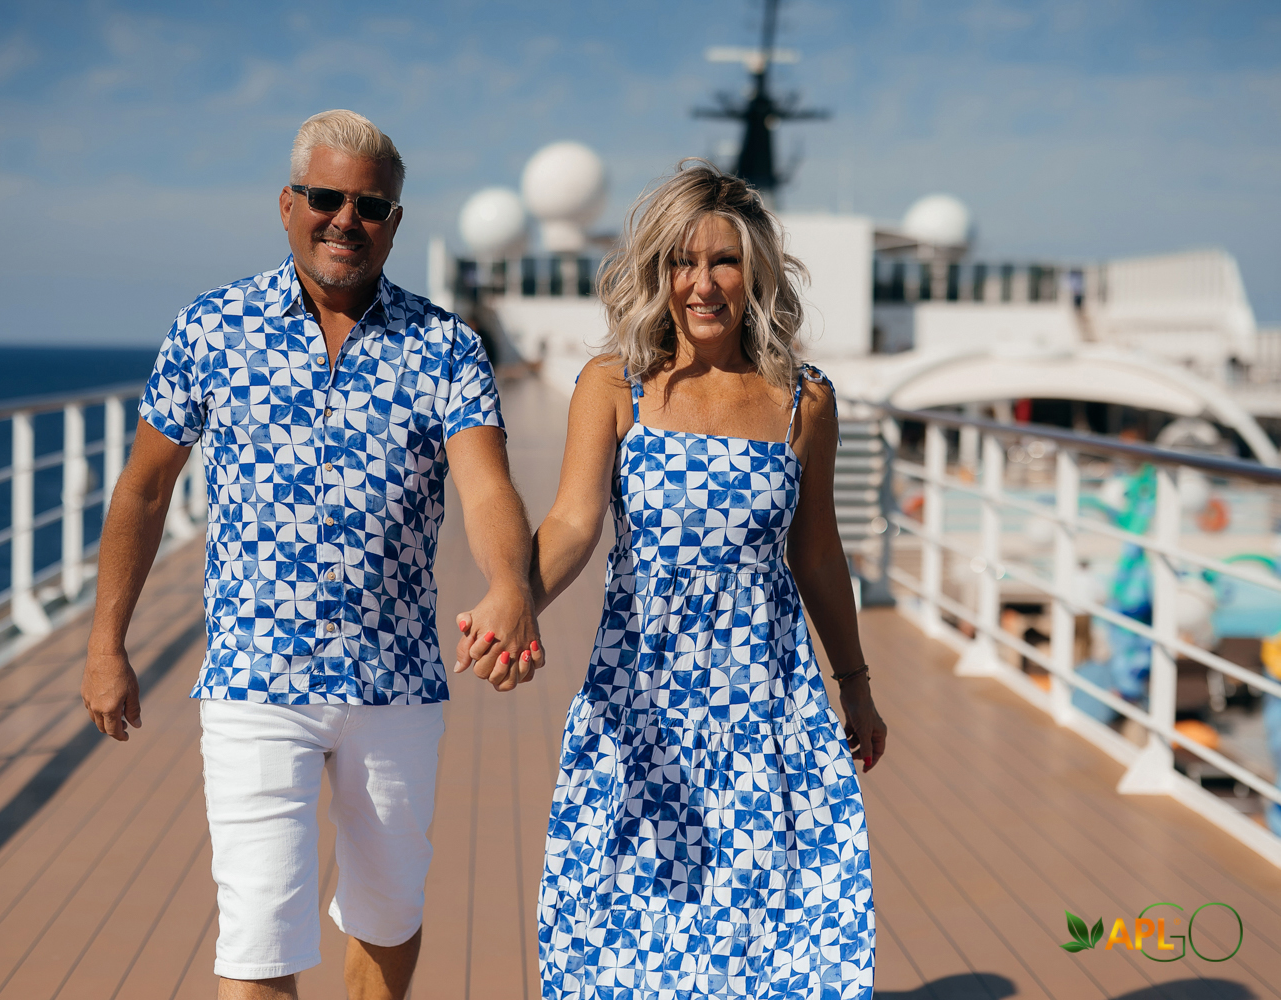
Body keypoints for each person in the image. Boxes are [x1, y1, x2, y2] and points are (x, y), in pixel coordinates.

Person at [80, 109, 543, 1000]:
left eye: (370, 206)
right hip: (255, 677)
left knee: (389, 912)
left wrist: (508, 584)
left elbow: (485, 486)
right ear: (288, 203)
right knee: (258, 934)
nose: (346, 220)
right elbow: (143, 490)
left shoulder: (446, 346)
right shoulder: (211, 329)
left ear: (395, 222)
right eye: (327, 198)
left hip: (395, 680)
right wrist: (107, 644)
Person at [462, 161, 884, 997]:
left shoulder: (803, 402)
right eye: (682, 262)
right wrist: (516, 602)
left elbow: (817, 556)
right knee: (631, 934)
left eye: (724, 261)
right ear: (657, 271)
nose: (703, 284)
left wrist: (857, 686)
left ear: (755, 271)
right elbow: (574, 523)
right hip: (645, 697)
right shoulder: (613, 384)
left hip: (768, 707)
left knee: (774, 932)